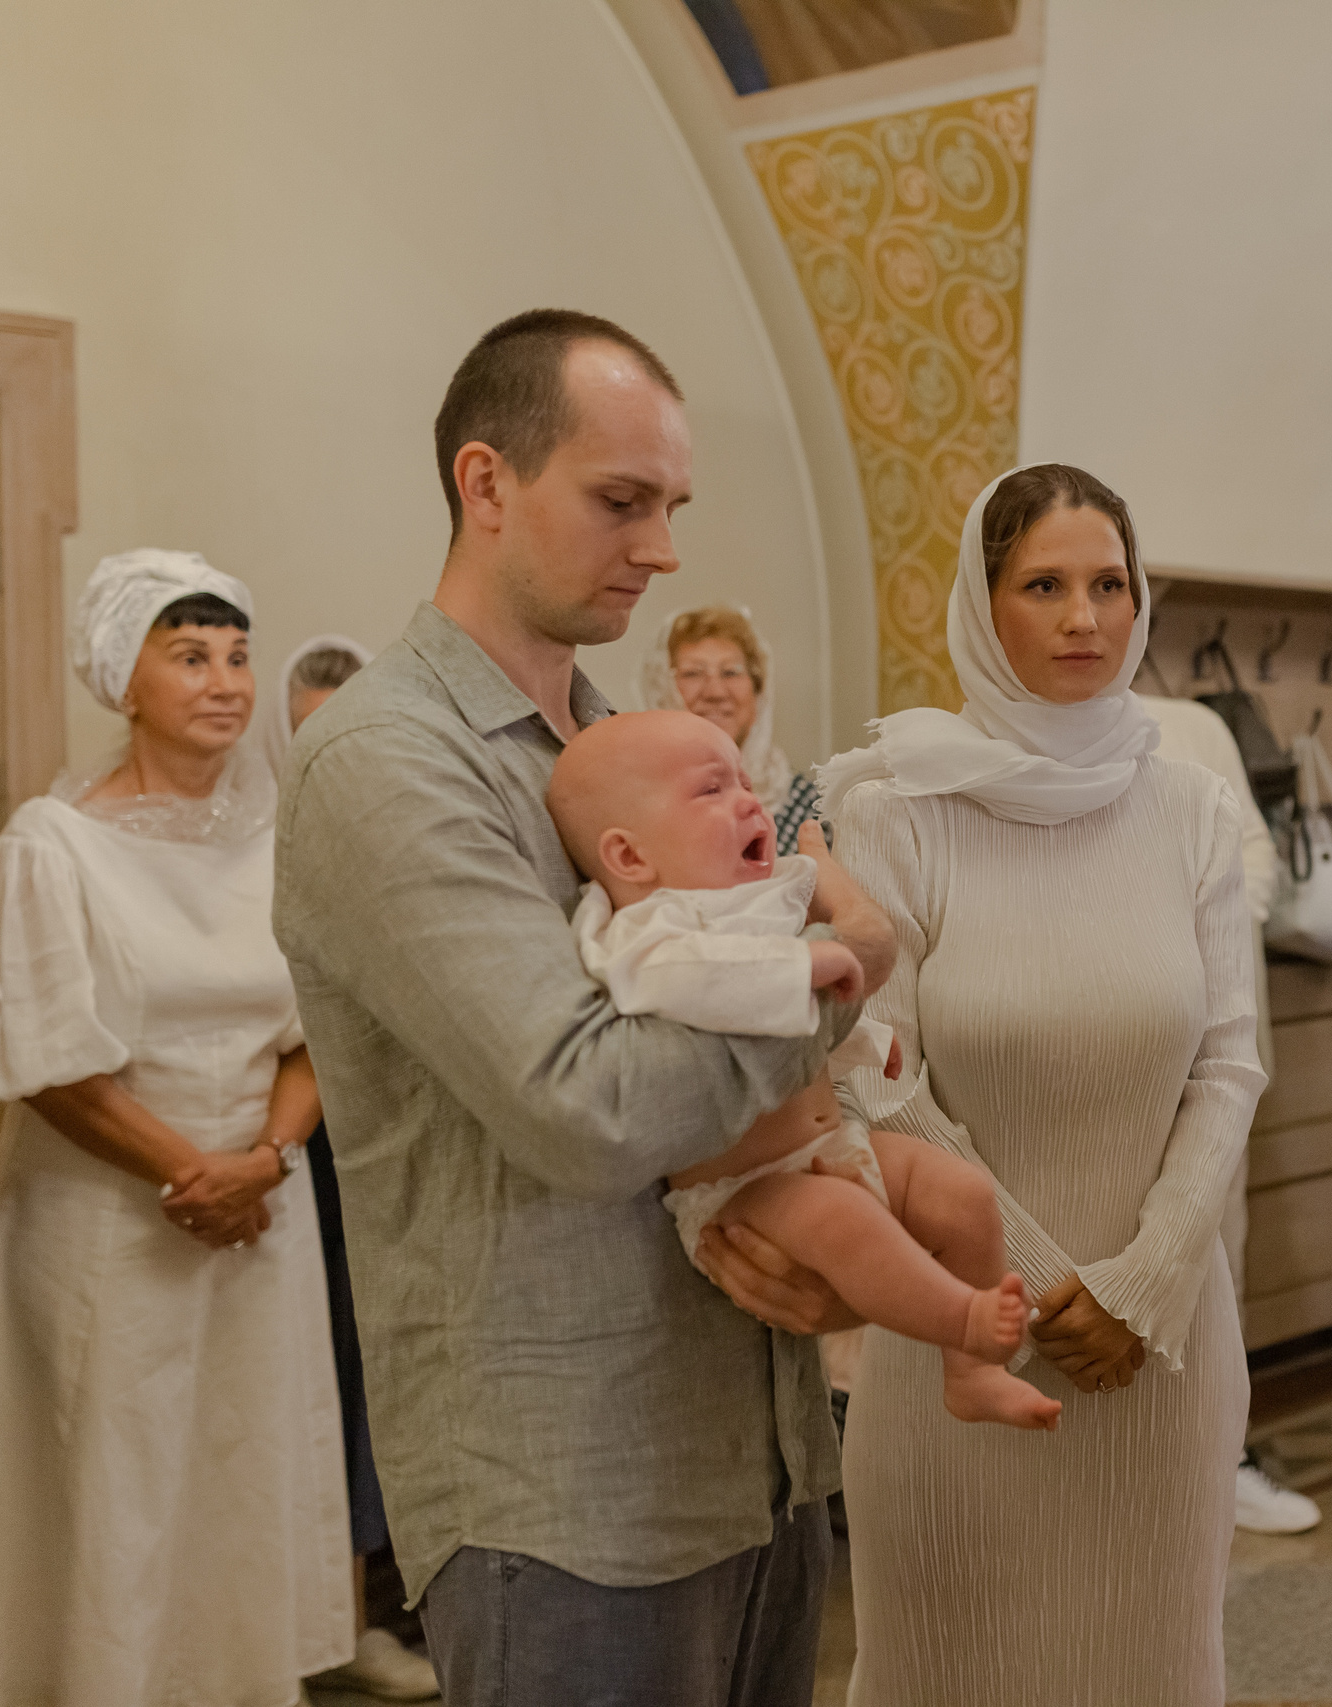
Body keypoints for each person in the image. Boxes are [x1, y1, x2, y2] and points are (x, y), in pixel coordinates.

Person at [274, 309, 893, 1707]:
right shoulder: (384, 761)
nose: (664, 548)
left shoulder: (616, 747)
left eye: (671, 506)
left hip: (750, 1441)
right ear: (485, 484)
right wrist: (840, 975)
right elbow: (590, 1106)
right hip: (562, 1486)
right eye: (622, 501)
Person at [820, 462, 1264, 1707]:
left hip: (1162, 1354)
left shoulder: (1186, 806)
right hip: (958, 1344)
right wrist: (1040, 1287)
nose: (1084, 618)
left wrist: (1145, 1280)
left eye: (1109, 585)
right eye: (1045, 586)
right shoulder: (897, 806)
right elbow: (875, 1069)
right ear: (982, 604)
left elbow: (1230, 1059)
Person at [0, 551, 352, 1705]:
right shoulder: (51, 846)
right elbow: (47, 1063)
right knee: (109, 1484)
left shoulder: (282, 838)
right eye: (188, 656)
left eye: (235, 655)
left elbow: (322, 1025)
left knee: (238, 1479)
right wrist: (192, 1172)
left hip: (257, 1206)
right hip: (108, 1215)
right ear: (124, 680)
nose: (224, 681)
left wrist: (264, 1160)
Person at [544, 708, 1058, 1429]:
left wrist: (864, 1036)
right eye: (710, 791)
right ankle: (964, 1319)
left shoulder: (760, 897)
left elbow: (821, 999)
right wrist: (804, 959)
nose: (749, 800)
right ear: (630, 857)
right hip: (742, 1194)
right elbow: (693, 982)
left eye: (745, 782)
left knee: (962, 1193)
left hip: (835, 1146)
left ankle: (972, 1374)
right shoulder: (647, 930)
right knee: (843, 1217)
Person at [266, 634, 444, 1704]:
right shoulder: (263, 829)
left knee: (374, 1377)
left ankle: (371, 1603)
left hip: (369, 1137)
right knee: (312, 1379)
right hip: (289, 1149)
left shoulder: (407, 819)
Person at [1133, 689, 1315, 1535]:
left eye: (1110, 587)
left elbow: (1255, 850)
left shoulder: (1197, 727)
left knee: (1219, 1247)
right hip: (1107, 1050)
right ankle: (1133, 1462)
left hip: (1217, 1036)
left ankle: (1223, 1454)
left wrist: (1208, 935)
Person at [642, 605, 819, 854]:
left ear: (758, 693)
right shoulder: (638, 793)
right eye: (693, 673)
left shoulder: (807, 805)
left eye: (731, 672)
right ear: (661, 690)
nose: (715, 692)